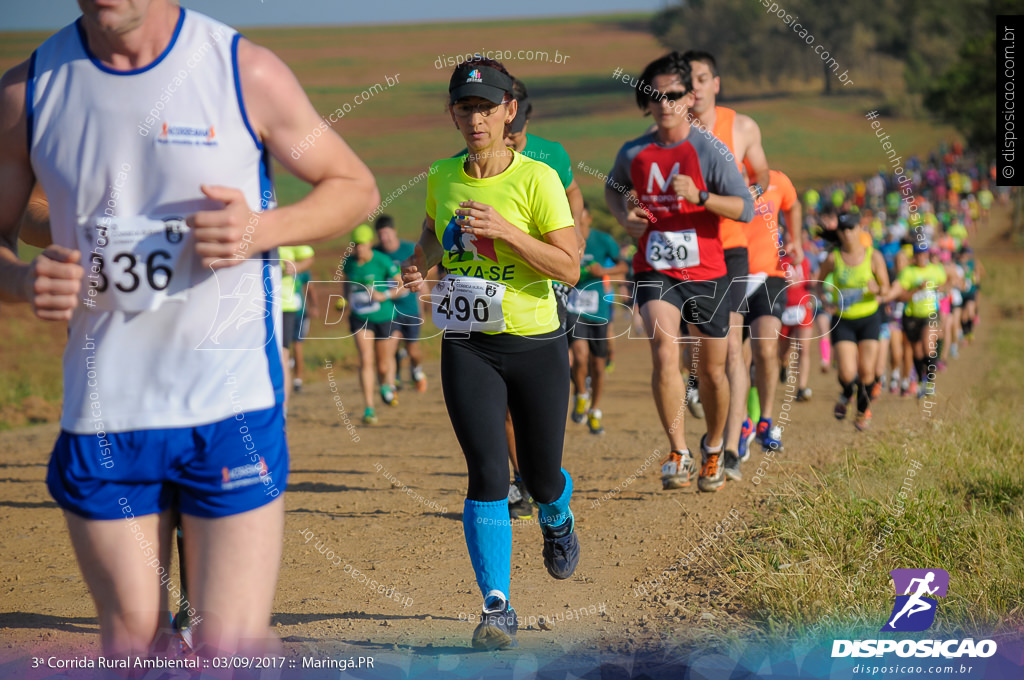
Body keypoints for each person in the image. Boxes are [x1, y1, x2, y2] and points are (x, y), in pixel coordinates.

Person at [0, 0, 378, 659]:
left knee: (226, 648)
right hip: (106, 413)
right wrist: (21, 280)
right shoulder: (26, 90)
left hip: (229, 407)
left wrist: (260, 228)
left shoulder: (246, 72)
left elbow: (354, 187)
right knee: (131, 644)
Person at [402, 58, 580, 650]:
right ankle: (496, 605)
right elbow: (432, 231)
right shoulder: (442, 175)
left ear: (509, 112)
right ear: (451, 114)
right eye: (464, 107)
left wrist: (507, 231)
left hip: (535, 342)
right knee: (487, 472)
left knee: (539, 472)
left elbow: (568, 266)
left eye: (486, 107)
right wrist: (419, 260)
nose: (475, 118)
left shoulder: (538, 180)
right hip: (467, 343)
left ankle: (557, 515)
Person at [605, 52, 754, 493]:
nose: (665, 103)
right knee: (664, 353)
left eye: (674, 94)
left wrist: (702, 195)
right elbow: (614, 190)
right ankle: (678, 451)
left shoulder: (710, 149)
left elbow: (744, 207)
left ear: (689, 97)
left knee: (711, 372)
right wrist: (625, 217)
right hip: (654, 265)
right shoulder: (633, 151)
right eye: (656, 95)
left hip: (707, 269)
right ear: (646, 101)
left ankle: (712, 447)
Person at [683, 50, 774, 474]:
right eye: (688, 80)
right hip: (684, 250)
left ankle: (733, 446)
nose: (695, 87)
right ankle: (700, 386)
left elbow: (761, 172)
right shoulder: (669, 130)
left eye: (702, 78)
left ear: (715, 83)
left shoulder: (740, 126)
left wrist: (749, 195)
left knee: (733, 348)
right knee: (693, 347)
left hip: (731, 248)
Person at [500, 77, 584, 519]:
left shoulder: (551, 154)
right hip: (496, 293)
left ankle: (543, 474)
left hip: (549, 278)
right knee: (504, 403)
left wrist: (578, 237)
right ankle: (520, 479)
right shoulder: (467, 161)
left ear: (523, 117)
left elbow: (572, 194)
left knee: (541, 389)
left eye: (513, 131)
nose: (505, 138)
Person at [730, 168, 801, 479]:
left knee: (765, 349)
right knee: (735, 357)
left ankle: (766, 421)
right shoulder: (725, 179)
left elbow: (793, 204)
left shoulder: (778, 180)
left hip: (769, 275)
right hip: (732, 276)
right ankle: (742, 421)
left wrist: (795, 238)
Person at [817, 213, 890, 430]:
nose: (847, 233)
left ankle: (861, 412)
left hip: (869, 317)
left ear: (860, 229)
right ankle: (847, 392)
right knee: (847, 372)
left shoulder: (873, 256)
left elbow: (885, 287)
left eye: (851, 228)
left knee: (867, 371)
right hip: (843, 319)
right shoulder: (833, 258)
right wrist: (824, 298)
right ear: (839, 233)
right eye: (843, 229)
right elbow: (819, 283)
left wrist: (877, 289)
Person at [566, 204, 626, 435]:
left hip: (599, 309)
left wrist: (604, 271)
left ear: (589, 218)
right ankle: (581, 393)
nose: (576, 222)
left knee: (599, 366)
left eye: (580, 217)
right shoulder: (564, 237)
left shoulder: (603, 240)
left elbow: (623, 264)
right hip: (574, 306)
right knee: (580, 355)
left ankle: (595, 409)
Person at [344, 224, 403, 424]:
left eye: (361, 244)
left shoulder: (382, 260)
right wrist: (344, 300)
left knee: (383, 365)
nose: (358, 248)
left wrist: (383, 295)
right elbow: (346, 283)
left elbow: (401, 285)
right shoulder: (349, 263)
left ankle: (386, 384)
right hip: (360, 317)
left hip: (384, 316)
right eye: (355, 245)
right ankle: (369, 408)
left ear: (370, 243)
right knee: (365, 359)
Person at [885, 239, 947, 398]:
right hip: (912, 316)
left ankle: (930, 382)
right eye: (918, 254)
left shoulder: (936, 270)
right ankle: (921, 381)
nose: (921, 257)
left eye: (924, 254)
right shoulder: (908, 273)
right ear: (915, 256)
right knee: (917, 353)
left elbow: (946, 283)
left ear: (928, 254)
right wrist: (916, 290)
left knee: (928, 347)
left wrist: (942, 289)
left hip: (930, 314)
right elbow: (900, 296)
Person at [374, 215, 428, 392]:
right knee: (390, 347)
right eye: (380, 234)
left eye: (387, 233)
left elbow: (421, 276)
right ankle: (392, 383)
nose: (384, 238)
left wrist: (423, 301)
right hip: (390, 310)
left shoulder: (409, 249)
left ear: (394, 232)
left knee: (413, 351)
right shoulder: (376, 254)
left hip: (411, 309)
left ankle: (416, 371)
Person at [278, 245, 314, 407]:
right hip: (262, 306)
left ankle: (297, 379)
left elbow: (310, 287)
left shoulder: (295, 251)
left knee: (294, 347)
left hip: (293, 309)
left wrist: (314, 306)